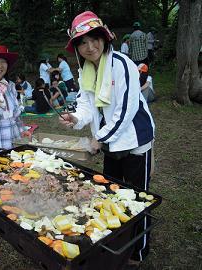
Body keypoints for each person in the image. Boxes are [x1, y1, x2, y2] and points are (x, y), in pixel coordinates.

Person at [61, 11, 155, 267]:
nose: (89, 47)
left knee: (137, 198)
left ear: (104, 38)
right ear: (77, 47)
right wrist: (76, 118)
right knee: (111, 194)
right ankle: (117, 242)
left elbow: (126, 109)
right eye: (82, 42)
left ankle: (138, 252)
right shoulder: (85, 71)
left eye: (94, 39)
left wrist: (99, 138)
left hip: (134, 140)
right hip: (111, 143)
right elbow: (86, 104)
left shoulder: (122, 64)